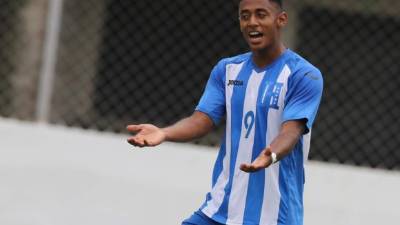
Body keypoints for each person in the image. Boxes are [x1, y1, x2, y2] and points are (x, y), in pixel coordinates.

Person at [127, 0, 323, 224]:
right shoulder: (227, 70)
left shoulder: (304, 75)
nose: (252, 22)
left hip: (273, 216)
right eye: (245, 16)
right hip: (219, 210)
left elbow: (291, 132)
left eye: (261, 14)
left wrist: (271, 154)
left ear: (281, 20)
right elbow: (202, 120)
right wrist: (164, 133)